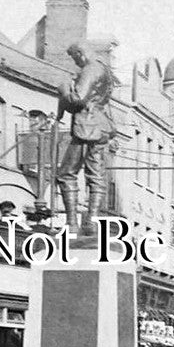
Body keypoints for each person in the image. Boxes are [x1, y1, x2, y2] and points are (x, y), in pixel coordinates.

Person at [55, 42, 117, 234]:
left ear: (81, 54)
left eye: (75, 59)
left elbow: (78, 99)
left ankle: (72, 223)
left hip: (86, 127)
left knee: (66, 174)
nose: (76, 63)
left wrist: (65, 89)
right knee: (96, 175)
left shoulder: (90, 69)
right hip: (100, 127)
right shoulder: (105, 70)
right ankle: (91, 221)